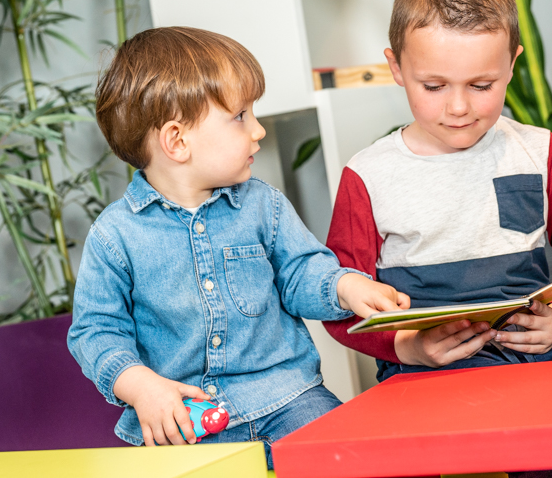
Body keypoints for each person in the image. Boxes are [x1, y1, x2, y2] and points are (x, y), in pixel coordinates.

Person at [67, 26, 409, 470]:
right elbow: (96, 332)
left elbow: (300, 271)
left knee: (359, 462)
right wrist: (139, 386)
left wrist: (344, 286)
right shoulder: (114, 237)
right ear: (177, 141)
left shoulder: (262, 204)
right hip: (183, 426)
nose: (258, 130)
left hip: (290, 398)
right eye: (241, 116)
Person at [323, 0, 552, 382]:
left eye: (481, 86)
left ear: (510, 64)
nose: (458, 107)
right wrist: (410, 345)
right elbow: (336, 301)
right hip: (433, 362)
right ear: (396, 68)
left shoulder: (542, 152)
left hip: (539, 344)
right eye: (433, 86)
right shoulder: (367, 175)